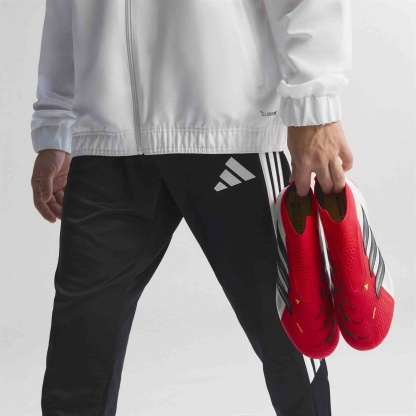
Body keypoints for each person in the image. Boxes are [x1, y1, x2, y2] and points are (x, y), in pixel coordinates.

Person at [30, 1, 353, 415]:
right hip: (106, 139)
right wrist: (57, 123)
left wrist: (316, 105)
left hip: (231, 130)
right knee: (76, 356)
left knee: (290, 336)